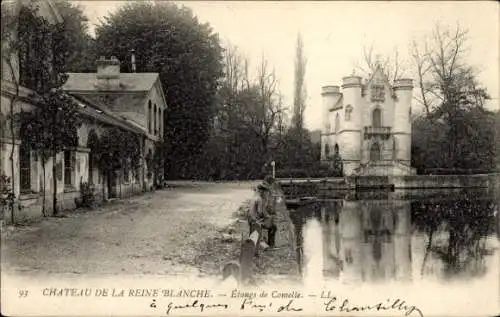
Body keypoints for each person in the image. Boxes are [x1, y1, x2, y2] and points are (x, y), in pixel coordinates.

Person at [248, 177, 277, 249]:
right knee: (273, 227)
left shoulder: (254, 197)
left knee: (268, 222)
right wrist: (269, 217)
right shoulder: (260, 199)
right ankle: (271, 244)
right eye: (265, 191)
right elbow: (261, 212)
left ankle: (255, 241)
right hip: (256, 221)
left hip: (250, 220)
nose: (266, 193)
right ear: (261, 191)